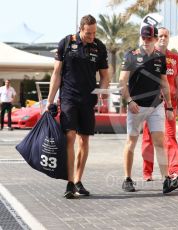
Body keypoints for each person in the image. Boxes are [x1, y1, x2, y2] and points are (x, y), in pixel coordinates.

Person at [46, 14, 110, 199]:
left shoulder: (99, 47)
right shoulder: (66, 43)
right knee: (70, 137)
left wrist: (102, 91)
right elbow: (56, 74)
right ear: (80, 29)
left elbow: (105, 76)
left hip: (88, 100)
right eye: (88, 33)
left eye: (94, 33)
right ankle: (70, 182)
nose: (91, 36)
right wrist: (50, 101)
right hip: (68, 98)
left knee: (84, 140)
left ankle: (78, 180)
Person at [119, 25, 178, 194]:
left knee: (159, 141)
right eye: (144, 38)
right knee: (131, 142)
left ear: (154, 39)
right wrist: (129, 101)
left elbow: (164, 83)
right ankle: (127, 179)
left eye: (149, 38)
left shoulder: (160, 58)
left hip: (156, 106)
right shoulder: (131, 56)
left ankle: (166, 180)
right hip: (136, 107)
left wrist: (168, 105)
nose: (146, 41)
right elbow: (122, 81)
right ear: (141, 38)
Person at [141, 27, 178, 182]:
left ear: (169, 38)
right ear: (155, 38)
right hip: (151, 103)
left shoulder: (174, 58)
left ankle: (175, 169)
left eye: (165, 36)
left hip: (169, 104)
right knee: (148, 137)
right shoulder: (148, 55)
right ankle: (147, 171)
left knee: (170, 136)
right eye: (160, 36)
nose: (162, 38)